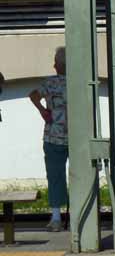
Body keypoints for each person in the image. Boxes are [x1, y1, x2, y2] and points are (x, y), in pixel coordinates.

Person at [28, 46, 68, 232]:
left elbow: (33, 95)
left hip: (53, 135)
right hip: (78, 136)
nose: (53, 65)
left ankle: (56, 218)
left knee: (55, 176)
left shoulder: (50, 83)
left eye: (56, 62)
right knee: (81, 175)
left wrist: (43, 111)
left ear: (60, 65)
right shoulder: (80, 80)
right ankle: (79, 216)